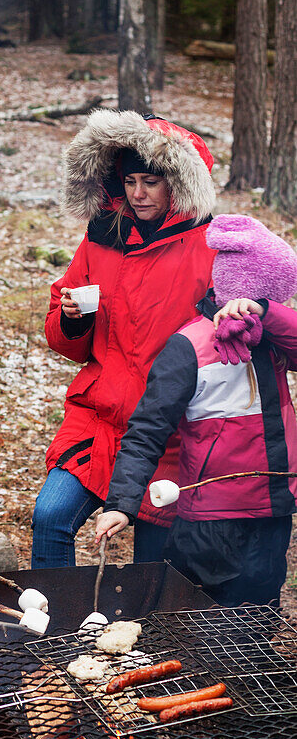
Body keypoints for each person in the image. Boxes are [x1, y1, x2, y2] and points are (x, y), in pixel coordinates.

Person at [31, 110, 217, 570]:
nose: (138, 193)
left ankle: (142, 641)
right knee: (49, 518)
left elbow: (227, 344)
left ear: (177, 180)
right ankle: (54, 638)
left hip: (171, 432)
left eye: (150, 182)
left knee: (152, 567)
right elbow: (64, 334)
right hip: (99, 419)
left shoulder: (211, 246)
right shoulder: (102, 234)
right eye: (130, 180)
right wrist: (71, 318)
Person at [96, 215, 297, 606]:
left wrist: (266, 313)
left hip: (273, 504)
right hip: (212, 514)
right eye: (273, 294)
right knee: (210, 615)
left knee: (262, 607)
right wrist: (122, 503)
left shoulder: (272, 338)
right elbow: (147, 430)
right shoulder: (188, 346)